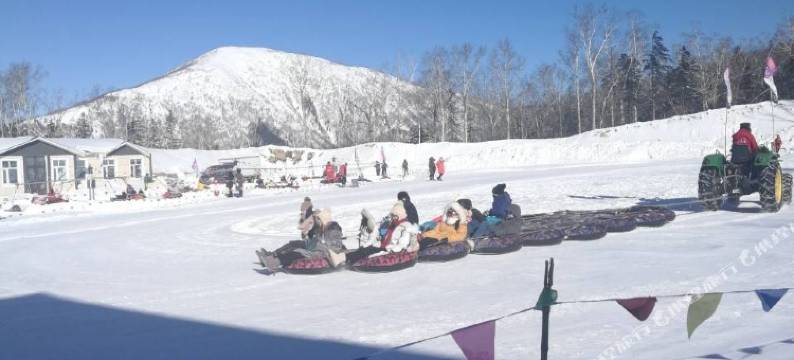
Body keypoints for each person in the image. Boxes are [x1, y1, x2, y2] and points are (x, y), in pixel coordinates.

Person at [347, 202, 419, 264]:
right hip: (382, 247)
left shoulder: (406, 227)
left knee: (366, 252)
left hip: (389, 250)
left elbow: (402, 243)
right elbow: (381, 233)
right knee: (364, 250)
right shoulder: (392, 224)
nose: (392, 218)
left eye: (394, 216)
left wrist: (393, 249)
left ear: (400, 216)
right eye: (392, 216)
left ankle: (349, 260)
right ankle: (346, 259)